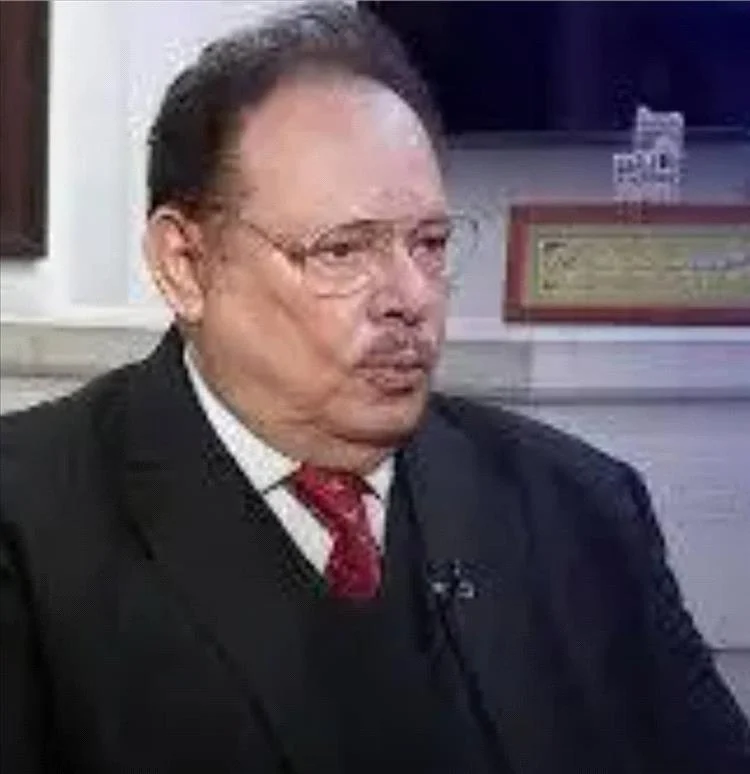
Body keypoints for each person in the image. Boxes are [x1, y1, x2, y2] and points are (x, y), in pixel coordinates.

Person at [1, 4, 748, 773]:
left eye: (429, 243)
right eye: (343, 250)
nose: (411, 297)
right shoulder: (29, 522)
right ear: (184, 265)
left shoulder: (581, 506)